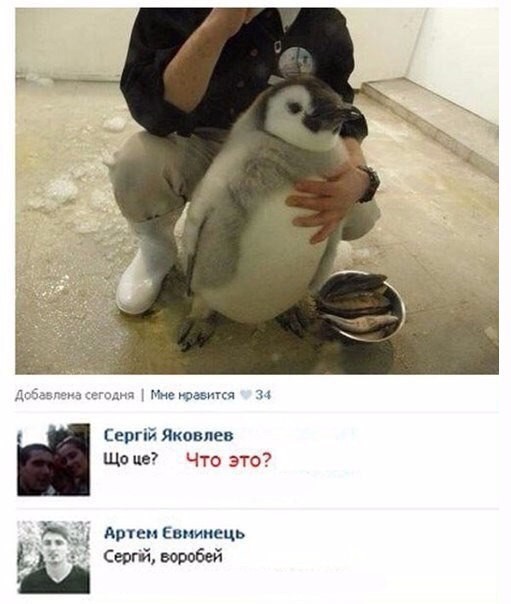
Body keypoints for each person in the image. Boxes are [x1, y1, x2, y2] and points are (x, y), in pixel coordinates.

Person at [110, 8, 381, 315]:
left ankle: (286, 262)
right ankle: (156, 250)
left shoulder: (322, 20)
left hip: (282, 152)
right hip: (199, 140)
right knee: (139, 164)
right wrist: (218, 26)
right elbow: (155, 114)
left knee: (358, 212)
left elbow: (338, 106)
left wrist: (359, 175)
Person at [19, 524, 90, 594]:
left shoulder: (86, 580)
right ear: (41, 549)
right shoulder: (29, 583)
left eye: (59, 543)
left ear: (68, 548)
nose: (52, 548)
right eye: (47, 543)